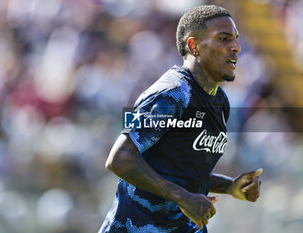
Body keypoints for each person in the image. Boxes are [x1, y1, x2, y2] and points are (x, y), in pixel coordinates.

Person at [99, 5, 262, 233]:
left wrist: (231, 186)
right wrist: (183, 197)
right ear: (194, 46)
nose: (235, 47)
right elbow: (120, 159)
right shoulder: (173, 93)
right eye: (224, 38)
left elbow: (183, 172)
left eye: (235, 39)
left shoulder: (219, 101)